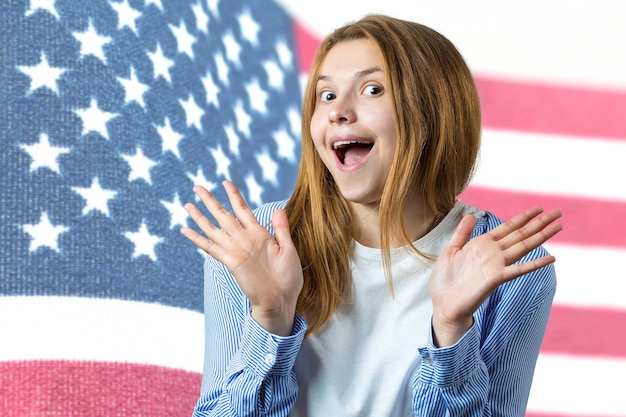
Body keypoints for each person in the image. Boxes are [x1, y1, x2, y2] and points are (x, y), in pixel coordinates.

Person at [181, 14, 563, 417]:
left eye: (372, 89)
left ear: (433, 113)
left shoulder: (510, 264)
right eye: (326, 95)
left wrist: (451, 334)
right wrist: (270, 320)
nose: (337, 112)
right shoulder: (254, 245)